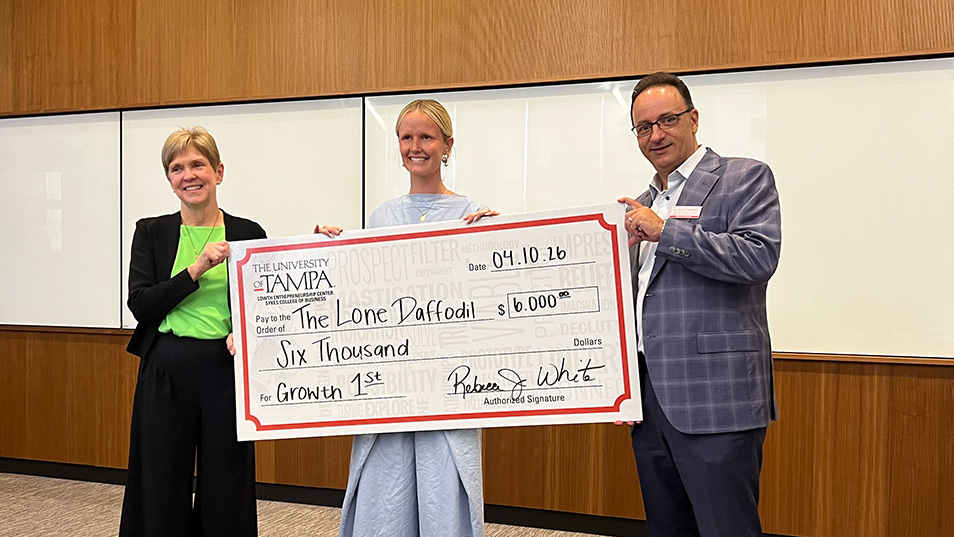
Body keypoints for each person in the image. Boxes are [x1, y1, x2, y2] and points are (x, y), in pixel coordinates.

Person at [317, 99, 497, 537]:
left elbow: (492, 297)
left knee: (443, 486)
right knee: (386, 487)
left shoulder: (474, 214)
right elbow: (360, 296)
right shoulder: (381, 217)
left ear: (447, 145)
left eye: (427, 137)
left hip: (450, 381)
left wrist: (496, 239)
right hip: (390, 380)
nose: (416, 146)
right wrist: (326, 253)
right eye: (406, 137)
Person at [617, 72, 781, 537]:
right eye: (643, 127)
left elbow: (758, 257)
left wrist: (666, 231)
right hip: (650, 400)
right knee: (669, 528)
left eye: (667, 120)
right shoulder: (640, 205)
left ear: (693, 119)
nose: (656, 135)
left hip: (716, 397)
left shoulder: (744, 177)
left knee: (726, 528)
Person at [120, 126, 265, 537]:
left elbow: (266, 303)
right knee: (161, 478)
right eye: (177, 168)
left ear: (218, 171)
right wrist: (196, 269)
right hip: (166, 369)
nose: (189, 175)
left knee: (227, 482)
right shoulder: (151, 232)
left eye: (198, 164)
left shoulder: (249, 233)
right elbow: (142, 304)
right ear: (169, 179)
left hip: (226, 370)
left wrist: (246, 330)